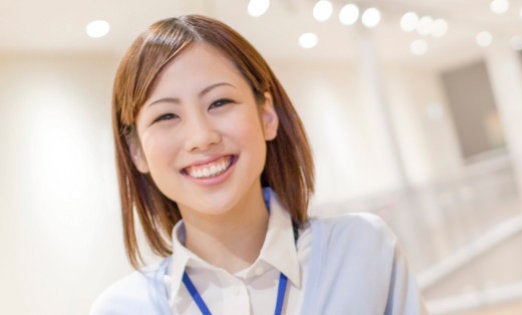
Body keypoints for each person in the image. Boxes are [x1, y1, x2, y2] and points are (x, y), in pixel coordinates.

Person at [91, 14, 424, 315]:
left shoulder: (362, 248)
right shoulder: (121, 308)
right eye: (166, 116)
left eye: (219, 102)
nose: (201, 137)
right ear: (136, 151)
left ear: (267, 115)